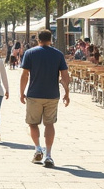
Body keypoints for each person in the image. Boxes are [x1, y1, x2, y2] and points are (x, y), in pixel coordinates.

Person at [19, 29, 70, 168]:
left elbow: (25, 75)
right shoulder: (58, 55)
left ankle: (37, 149)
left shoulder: (30, 53)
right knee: (49, 124)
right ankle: (48, 154)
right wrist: (67, 93)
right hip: (52, 95)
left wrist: (21, 92)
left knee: (33, 123)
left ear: (38, 40)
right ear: (51, 39)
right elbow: (65, 76)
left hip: (34, 94)